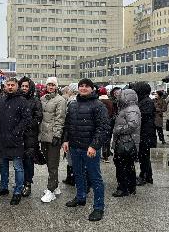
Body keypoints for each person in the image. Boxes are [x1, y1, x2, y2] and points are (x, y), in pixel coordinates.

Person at [63, 78, 110, 222]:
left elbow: (103, 128)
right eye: (81, 86)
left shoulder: (98, 105)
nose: (83, 88)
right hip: (75, 147)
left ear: (92, 89)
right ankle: (80, 197)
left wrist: (94, 145)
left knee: (95, 177)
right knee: (78, 174)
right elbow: (68, 124)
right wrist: (65, 140)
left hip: (90, 149)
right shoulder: (73, 105)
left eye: (86, 86)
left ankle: (98, 207)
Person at [0, 78, 31, 205]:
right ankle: (3, 187)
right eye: (7, 85)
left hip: (16, 140)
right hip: (3, 139)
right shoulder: (2, 100)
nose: (9, 87)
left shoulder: (22, 101)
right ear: (4, 86)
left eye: (12, 85)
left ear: (17, 86)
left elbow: (26, 119)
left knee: (18, 167)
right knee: (3, 165)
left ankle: (18, 191)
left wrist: (16, 132)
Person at [39, 77, 66, 203]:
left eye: (53, 85)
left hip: (53, 136)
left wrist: (57, 135)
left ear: (56, 86)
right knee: (49, 163)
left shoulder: (60, 100)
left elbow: (60, 119)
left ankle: (51, 189)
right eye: (49, 84)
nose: (51, 87)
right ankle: (55, 186)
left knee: (53, 164)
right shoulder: (43, 99)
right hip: (43, 136)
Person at [111, 89, 141, 197]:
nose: (118, 96)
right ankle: (130, 187)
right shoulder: (128, 108)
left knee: (122, 165)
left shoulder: (130, 109)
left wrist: (118, 129)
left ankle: (123, 188)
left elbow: (133, 124)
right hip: (125, 141)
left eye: (121, 95)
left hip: (126, 142)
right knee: (128, 165)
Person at [18, 76, 42, 198]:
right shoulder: (16, 99)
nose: (24, 88)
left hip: (30, 135)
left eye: (26, 86)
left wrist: (26, 124)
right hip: (18, 136)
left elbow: (38, 117)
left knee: (28, 160)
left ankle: (28, 183)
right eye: (22, 86)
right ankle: (21, 182)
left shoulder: (35, 101)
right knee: (19, 161)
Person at [131, 82, 156, 186]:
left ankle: (144, 176)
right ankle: (147, 176)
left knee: (144, 157)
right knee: (143, 157)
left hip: (146, 135)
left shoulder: (147, 102)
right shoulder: (143, 100)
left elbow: (143, 117)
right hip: (144, 134)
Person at [98, 87, 114, 163]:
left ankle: (101, 155)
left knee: (99, 139)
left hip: (100, 123)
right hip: (109, 122)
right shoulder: (110, 101)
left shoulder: (98, 101)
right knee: (107, 140)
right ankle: (106, 155)